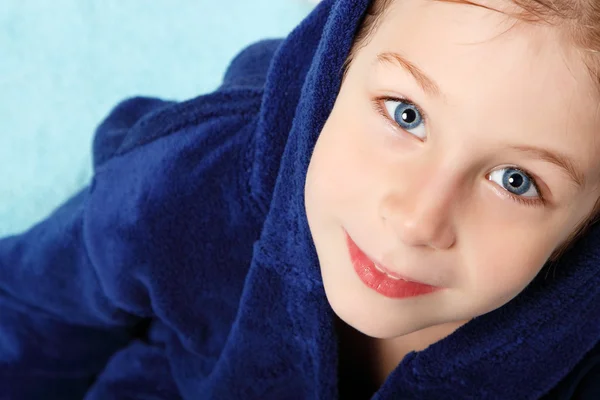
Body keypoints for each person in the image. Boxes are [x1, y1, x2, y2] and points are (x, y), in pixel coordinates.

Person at [1, 0, 600, 398]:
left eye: (516, 180)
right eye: (406, 114)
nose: (418, 219)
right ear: (338, 64)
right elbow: (30, 309)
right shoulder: (187, 178)